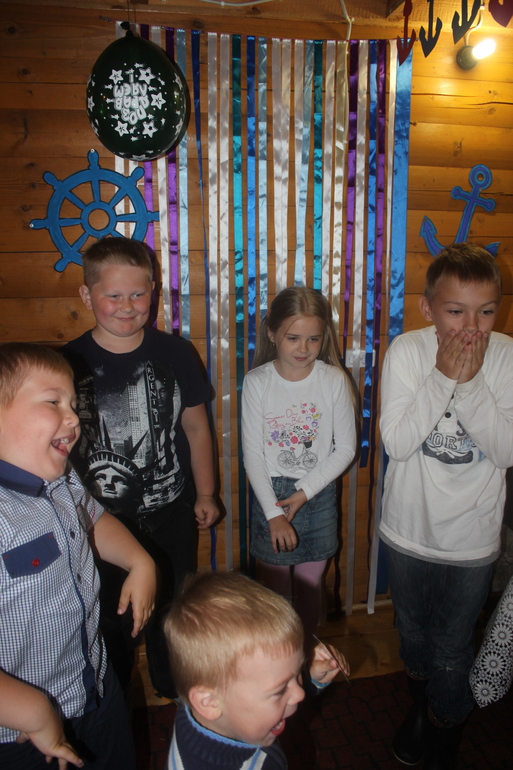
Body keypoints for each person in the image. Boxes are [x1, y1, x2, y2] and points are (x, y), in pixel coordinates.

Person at [63, 236, 219, 700]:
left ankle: (174, 688)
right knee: (112, 614)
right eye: (114, 295)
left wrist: (206, 493)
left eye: (138, 294)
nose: (127, 306)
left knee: (172, 607)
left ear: (154, 292)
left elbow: (196, 427)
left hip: (172, 512)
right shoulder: (67, 363)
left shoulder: (177, 354)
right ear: (87, 295)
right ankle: (116, 692)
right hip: (101, 523)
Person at [379, 243, 513, 769]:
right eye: (456, 311)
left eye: (486, 312)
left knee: (454, 647)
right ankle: (422, 706)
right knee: (413, 637)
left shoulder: (505, 357)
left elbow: (506, 451)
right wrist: (441, 377)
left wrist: (471, 382)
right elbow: (397, 443)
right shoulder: (408, 351)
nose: (471, 328)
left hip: (472, 539)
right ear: (428, 308)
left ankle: (446, 726)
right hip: (408, 529)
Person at [0, 342, 157, 770]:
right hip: (22, 733)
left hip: (93, 688)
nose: (73, 418)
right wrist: (32, 711)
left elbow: (92, 516)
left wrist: (140, 561)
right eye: (53, 402)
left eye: (73, 404)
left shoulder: (63, 477)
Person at [241, 287, 356, 640]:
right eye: (293, 338)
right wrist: (274, 514)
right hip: (271, 496)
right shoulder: (257, 382)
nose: (303, 348)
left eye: (313, 339)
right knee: (274, 590)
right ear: (271, 333)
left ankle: (306, 653)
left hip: (317, 494)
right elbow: (253, 456)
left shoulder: (333, 380)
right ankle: (279, 655)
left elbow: (345, 449)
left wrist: (305, 492)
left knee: (309, 585)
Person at [163, 570, 350, 770]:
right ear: (208, 702)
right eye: (280, 690)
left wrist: (310, 678)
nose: (300, 694)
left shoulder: (198, 706)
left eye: (296, 674)